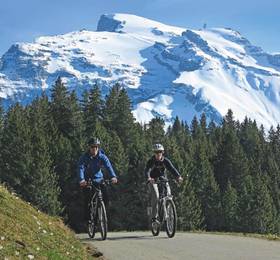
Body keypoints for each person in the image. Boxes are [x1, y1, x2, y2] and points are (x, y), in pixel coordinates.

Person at [78, 137, 117, 223]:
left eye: (96, 147)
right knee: (88, 200)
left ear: (98, 147)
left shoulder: (102, 156)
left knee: (106, 197)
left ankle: (101, 213)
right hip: (88, 181)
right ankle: (88, 219)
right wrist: (81, 180)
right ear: (89, 147)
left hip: (99, 180)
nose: (94, 149)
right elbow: (80, 168)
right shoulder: (84, 157)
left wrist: (113, 177)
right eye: (92, 147)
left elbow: (108, 166)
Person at [145, 143, 183, 224]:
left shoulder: (166, 161)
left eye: (160, 152)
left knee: (168, 195)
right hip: (152, 180)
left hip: (163, 180)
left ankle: (169, 210)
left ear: (162, 152)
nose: (158, 154)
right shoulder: (151, 161)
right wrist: (149, 178)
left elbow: (172, 169)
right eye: (156, 152)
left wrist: (178, 176)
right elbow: (147, 170)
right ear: (154, 153)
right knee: (156, 196)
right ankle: (154, 218)